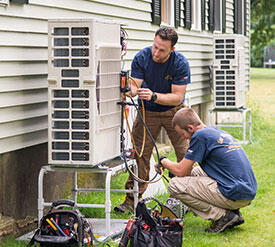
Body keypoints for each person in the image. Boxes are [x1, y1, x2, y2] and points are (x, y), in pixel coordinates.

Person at [114, 27, 191, 213]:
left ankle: (186, 198)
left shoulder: (180, 63)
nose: (156, 52)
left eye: (162, 50)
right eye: (155, 46)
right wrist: (131, 90)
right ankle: (131, 200)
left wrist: (154, 96)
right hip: (147, 111)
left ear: (171, 49)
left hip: (175, 111)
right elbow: (135, 85)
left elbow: (177, 97)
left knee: (186, 153)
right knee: (140, 154)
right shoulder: (142, 57)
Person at [155, 108, 257, 233]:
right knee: (195, 171)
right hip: (245, 191)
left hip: (234, 193)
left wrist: (163, 161)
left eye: (182, 134)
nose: (184, 138)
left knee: (175, 185)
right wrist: (172, 168)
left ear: (190, 128)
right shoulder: (213, 132)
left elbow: (181, 171)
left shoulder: (199, 136)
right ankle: (232, 212)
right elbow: (186, 171)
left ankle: (223, 216)